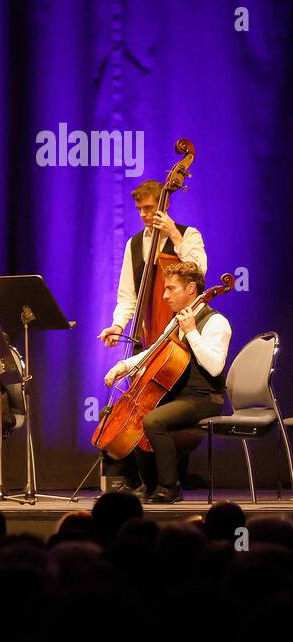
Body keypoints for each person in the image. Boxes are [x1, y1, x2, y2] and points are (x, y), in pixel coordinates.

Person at [102, 261, 230, 504]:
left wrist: (192, 331)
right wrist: (123, 366)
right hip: (178, 395)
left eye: (171, 289)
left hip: (203, 397)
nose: (164, 295)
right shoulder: (176, 321)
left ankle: (170, 487)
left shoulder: (216, 323)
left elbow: (214, 366)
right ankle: (150, 485)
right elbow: (153, 351)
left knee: (154, 420)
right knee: (137, 414)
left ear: (191, 289)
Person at [98, 179, 208, 349]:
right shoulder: (133, 244)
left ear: (165, 204)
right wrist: (118, 325)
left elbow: (199, 272)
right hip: (145, 337)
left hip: (183, 334)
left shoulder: (188, 235)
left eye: (148, 208)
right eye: (139, 209)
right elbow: (128, 296)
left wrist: (174, 234)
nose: (142, 214)